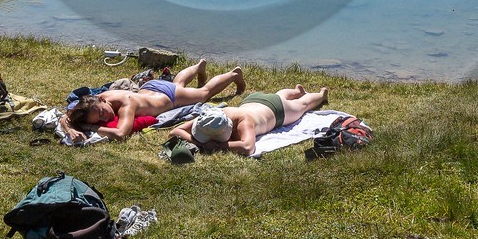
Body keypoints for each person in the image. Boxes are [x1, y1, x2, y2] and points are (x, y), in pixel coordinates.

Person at [60, 59, 245, 142]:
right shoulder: (101, 99)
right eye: (99, 119)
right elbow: (66, 116)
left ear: (101, 100)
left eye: (101, 112)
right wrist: (70, 128)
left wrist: (90, 128)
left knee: (204, 92)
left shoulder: (127, 106)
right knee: (177, 82)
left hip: (169, 97)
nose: (104, 117)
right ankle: (198, 66)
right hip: (150, 88)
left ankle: (234, 74)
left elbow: (121, 134)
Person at [168, 85, 328, 157]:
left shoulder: (244, 122)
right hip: (254, 100)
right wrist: (202, 144)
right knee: (279, 95)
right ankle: (295, 91)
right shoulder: (211, 117)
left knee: (303, 105)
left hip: (278, 109)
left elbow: (247, 147)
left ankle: (321, 94)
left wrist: (216, 146)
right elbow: (174, 131)